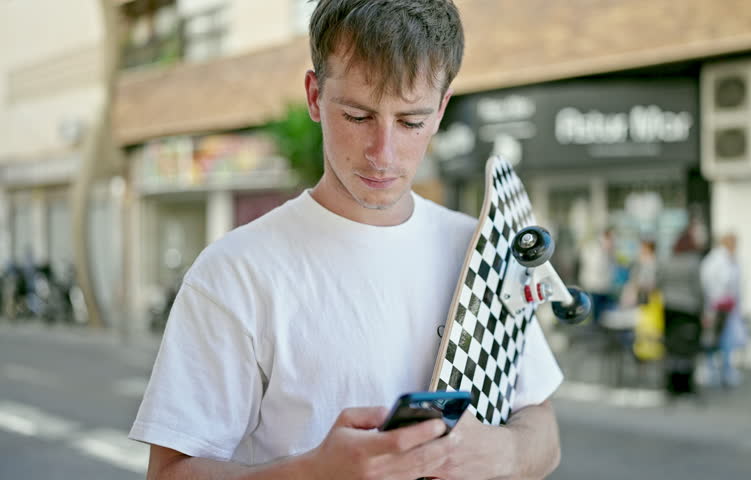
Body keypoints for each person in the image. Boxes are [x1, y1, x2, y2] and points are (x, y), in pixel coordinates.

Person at [129, 1, 564, 479]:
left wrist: (506, 453)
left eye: (411, 122)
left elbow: (540, 422)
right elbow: (169, 472)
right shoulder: (235, 272)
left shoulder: (479, 247)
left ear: (441, 109)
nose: (383, 153)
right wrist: (314, 473)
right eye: (357, 116)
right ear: (315, 97)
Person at [656, 225, 705, 396]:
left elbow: (658, 281)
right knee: (687, 347)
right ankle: (685, 384)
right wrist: (703, 308)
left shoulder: (668, 260)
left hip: (669, 308)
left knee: (671, 346)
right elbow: (698, 289)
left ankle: (671, 383)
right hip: (689, 309)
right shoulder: (694, 262)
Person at [700, 232, 747, 387]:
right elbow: (709, 283)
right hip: (716, 307)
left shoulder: (732, 260)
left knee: (726, 341)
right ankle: (711, 371)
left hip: (729, 308)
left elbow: (736, 286)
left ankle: (725, 372)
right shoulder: (715, 260)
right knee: (713, 339)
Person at [579, 227, 616, 325]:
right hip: (595, 285)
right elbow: (597, 267)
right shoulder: (595, 249)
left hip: (604, 286)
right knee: (596, 312)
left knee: (602, 313)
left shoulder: (608, 250)